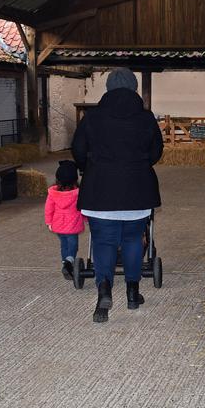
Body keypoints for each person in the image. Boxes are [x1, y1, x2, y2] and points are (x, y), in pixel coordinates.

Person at [72, 68, 164, 323]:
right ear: (134, 87)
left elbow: (78, 149)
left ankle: (104, 291)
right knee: (134, 240)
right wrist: (139, 163)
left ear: (109, 87)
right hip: (137, 190)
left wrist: (89, 167)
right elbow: (156, 151)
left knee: (104, 242)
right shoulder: (146, 118)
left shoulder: (92, 118)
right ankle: (133, 293)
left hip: (100, 190)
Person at [44, 160, 84, 280]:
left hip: (58, 225)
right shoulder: (78, 193)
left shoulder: (53, 193)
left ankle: (65, 263)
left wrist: (49, 222)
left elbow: (48, 208)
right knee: (73, 245)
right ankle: (69, 262)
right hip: (73, 225)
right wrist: (87, 219)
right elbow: (82, 208)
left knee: (64, 245)